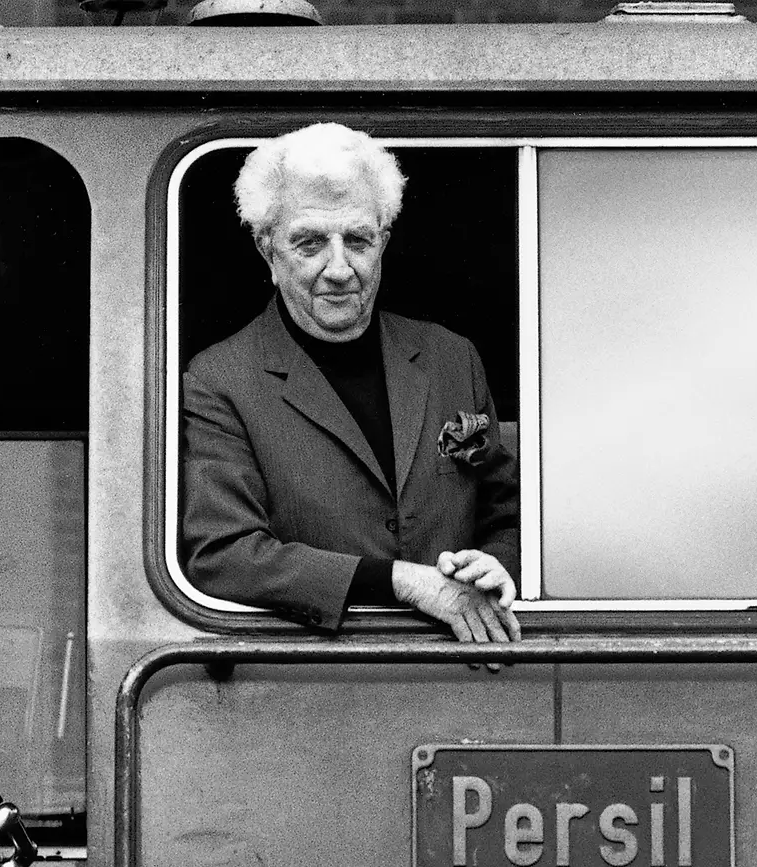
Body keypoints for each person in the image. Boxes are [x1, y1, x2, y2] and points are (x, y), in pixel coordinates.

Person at [180, 123, 522, 644]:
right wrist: (402, 581)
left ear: (383, 242)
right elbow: (223, 555)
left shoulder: (451, 358)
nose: (339, 269)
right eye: (310, 243)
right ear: (267, 251)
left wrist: (495, 565)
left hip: (464, 666)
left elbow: (506, 512)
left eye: (358, 240)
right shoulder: (219, 380)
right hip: (324, 674)